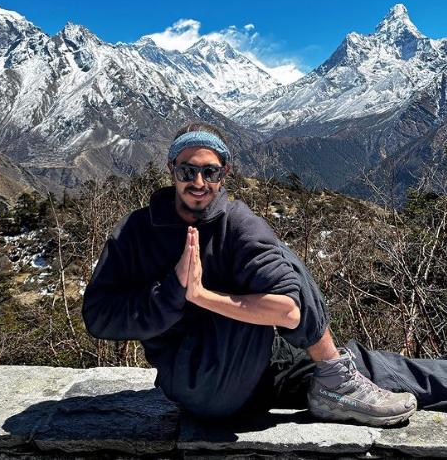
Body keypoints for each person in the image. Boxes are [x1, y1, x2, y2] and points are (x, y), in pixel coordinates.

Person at [83, 122, 446, 425]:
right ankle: (335, 377)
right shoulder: (136, 230)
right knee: (283, 256)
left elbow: (288, 311)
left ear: (224, 174)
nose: (198, 181)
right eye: (186, 170)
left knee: (373, 368)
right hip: (199, 380)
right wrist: (174, 292)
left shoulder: (236, 224)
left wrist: (203, 295)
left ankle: (338, 380)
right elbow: (98, 317)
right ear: (171, 171)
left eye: (209, 171)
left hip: (257, 359)